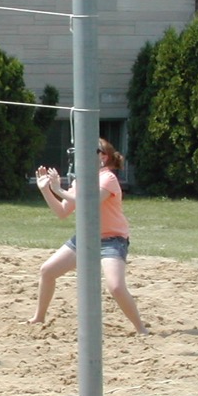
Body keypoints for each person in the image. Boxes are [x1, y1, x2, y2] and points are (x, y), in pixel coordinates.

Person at [30, 138, 148, 335]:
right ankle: (39, 317)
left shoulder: (108, 178)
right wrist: (46, 190)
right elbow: (62, 212)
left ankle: (141, 329)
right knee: (47, 271)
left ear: (103, 156)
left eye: (89, 151)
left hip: (112, 240)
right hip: (86, 237)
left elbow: (89, 201)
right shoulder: (80, 180)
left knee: (116, 287)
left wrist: (58, 189)